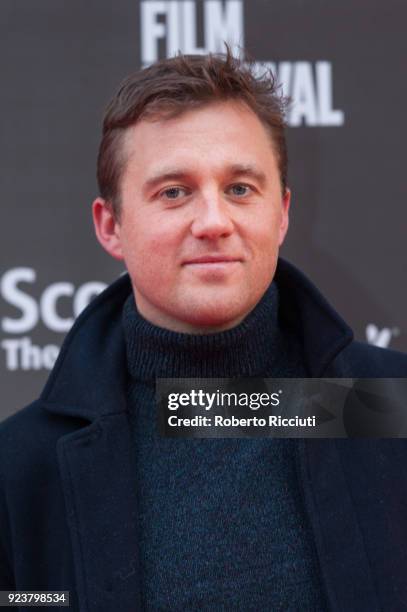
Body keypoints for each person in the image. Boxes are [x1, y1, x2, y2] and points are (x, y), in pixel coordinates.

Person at [0, 48, 406, 612]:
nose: (214, 222)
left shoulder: (388, 406)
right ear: (110, 225)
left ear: (282, 213)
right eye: (174, 192)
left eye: (240, 188)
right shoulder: (22, 467)